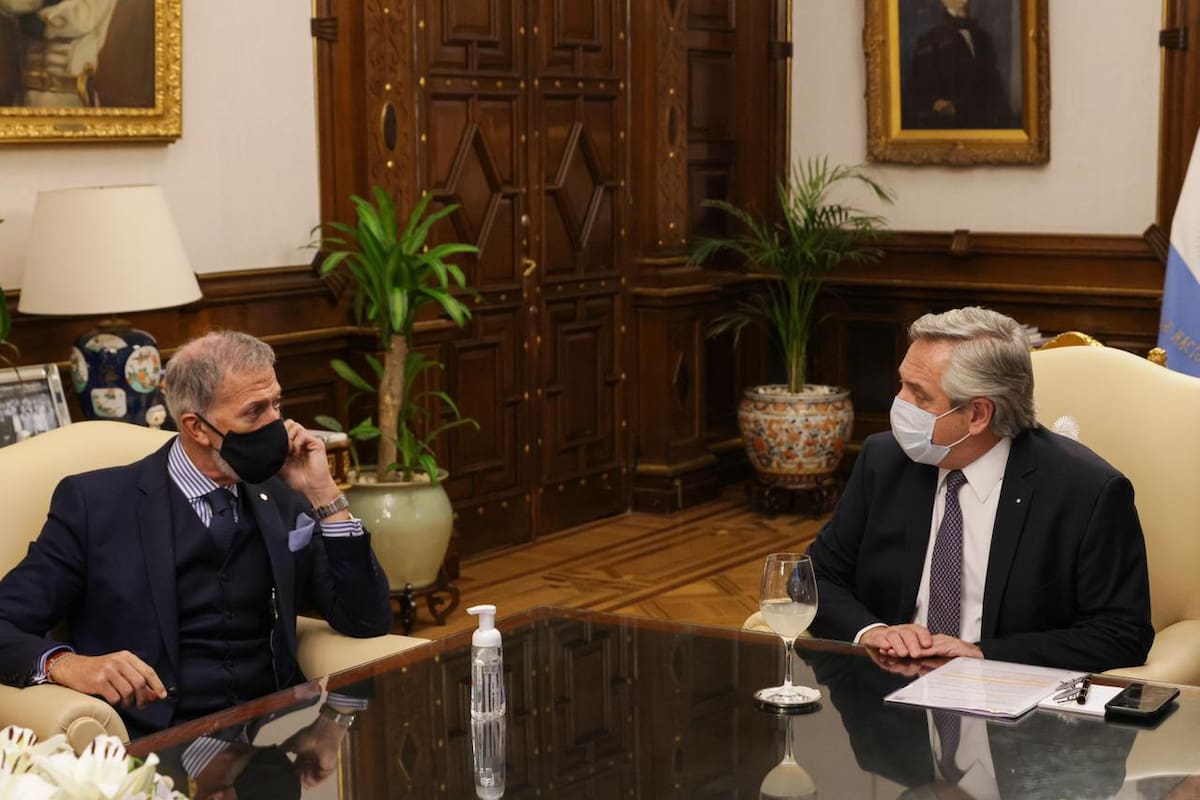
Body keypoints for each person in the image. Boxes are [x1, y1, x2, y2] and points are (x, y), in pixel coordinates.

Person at [0, 330, 393, 738]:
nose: (277, 425)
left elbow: (367, 619)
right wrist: (67, 665)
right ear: (196, 427)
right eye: (255, 411)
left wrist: (324, 494)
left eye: (277, 403)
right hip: (159, 740)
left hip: (273, 737)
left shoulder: (281, 493)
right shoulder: (94, 505)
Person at [806, 306, 1153, 673]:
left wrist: (985, 654)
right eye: (902, 385)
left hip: (1012, 708)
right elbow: (818, 577)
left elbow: (1120, 633)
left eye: (920, 396)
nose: (899, 404)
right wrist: (873, 632)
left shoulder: (1086, 491)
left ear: (977, 415)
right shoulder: (885, 459)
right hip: (885, 695)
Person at [902, 0, 1017, 130]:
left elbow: (995, 88)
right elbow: (918, 93)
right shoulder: (929, 40)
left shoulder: (984, 38)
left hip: (986, 125)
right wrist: (935, 104)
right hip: (950, 127)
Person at [0, 0, 117, 107]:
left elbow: (80, 19)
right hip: (27, 95)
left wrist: (36, 16)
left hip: (70, 97)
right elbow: (9, 4)